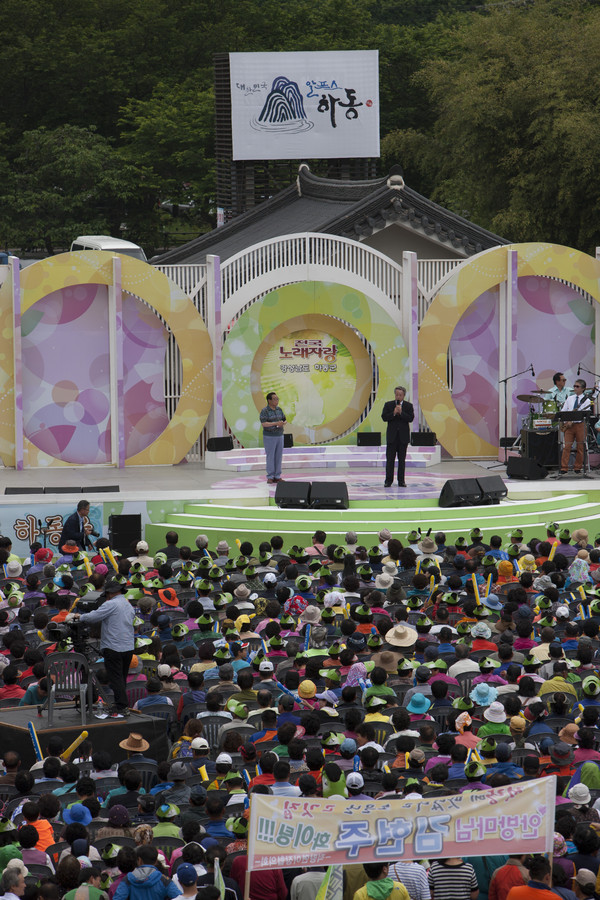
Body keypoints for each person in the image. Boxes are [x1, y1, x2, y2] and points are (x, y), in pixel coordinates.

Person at [76, 580, 135, 718]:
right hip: (127, 646)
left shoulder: (111, 604)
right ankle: (122, 704)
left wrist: (79, 616)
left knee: (116, 678)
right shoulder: (128, 604)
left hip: (114, 647)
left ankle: (121, 706)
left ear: (110, 593)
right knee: (122, 677)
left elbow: (93, 617)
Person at [560, 379, 595, 476]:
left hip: (580, 425)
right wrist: (567, 422)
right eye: (574, 386)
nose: (575, 388)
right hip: (569, 426)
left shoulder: (587, 400)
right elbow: (563, 411)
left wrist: (574, 419)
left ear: (583, 389)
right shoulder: (570, 398)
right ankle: (564, 468)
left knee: (580, 446)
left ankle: (578, 467)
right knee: (567, 446)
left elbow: (585, 414)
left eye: (577, 386)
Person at [381, 385, 414, 488]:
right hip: (392, 437)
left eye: (400, 395)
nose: (398, 397)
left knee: (402, 461)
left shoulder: (409, 406)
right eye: (396, 395)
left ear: (404, 395)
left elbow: (410, 418)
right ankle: (388, 481)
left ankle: (401, 481)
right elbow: (384, 417)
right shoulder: (389, 405)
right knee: (390, 460)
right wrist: (394, 413)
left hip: (403, 438)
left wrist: (402, 413)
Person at [259, 391, 287, 485]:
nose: (276, 401)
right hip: (269, 436)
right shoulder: (265, 411)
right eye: (274, 399)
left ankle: (277, 476)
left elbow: (284, 419)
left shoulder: (279, 410)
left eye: (277, 399)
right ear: (269, 400)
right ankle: (270, 476)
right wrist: (275, 423)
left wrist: (282, 423)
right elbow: (264, 424)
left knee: (278, 456)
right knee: (270, 456)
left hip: (279, 435)